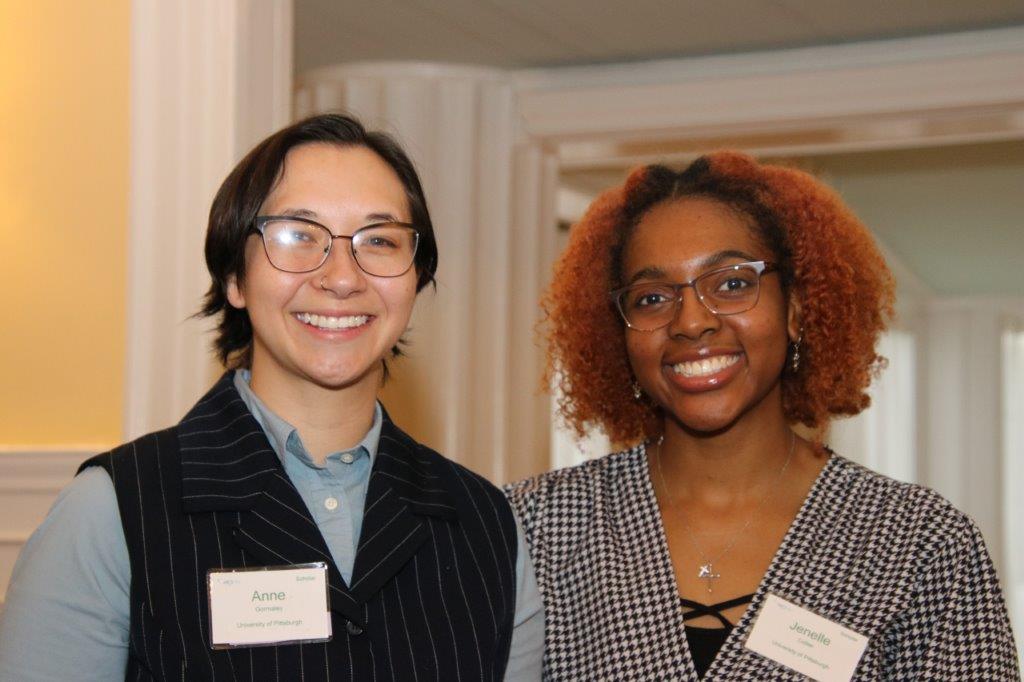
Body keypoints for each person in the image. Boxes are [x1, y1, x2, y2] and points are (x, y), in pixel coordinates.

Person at [0, 113, 543, 681]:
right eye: (298, 235)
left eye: (379, 240)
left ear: (415, 278)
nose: (341, 276)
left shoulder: (486, 527)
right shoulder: (113, 511)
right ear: (235, 276)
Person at [506, 152, 1019, 680]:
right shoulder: (534, 528)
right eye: (652, 297)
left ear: (796, 309)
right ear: (621, 334)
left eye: (731, 283)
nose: (691, 322)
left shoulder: (919, 545)